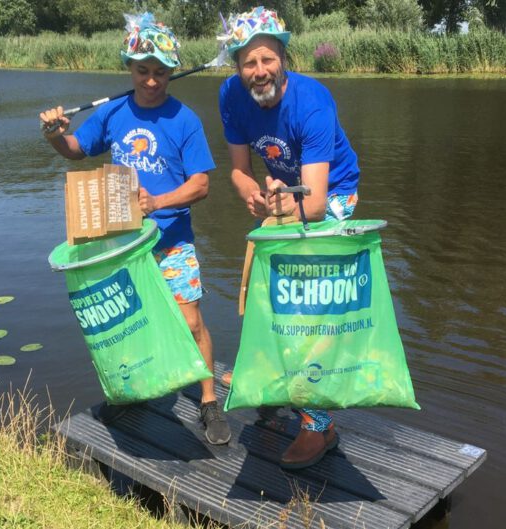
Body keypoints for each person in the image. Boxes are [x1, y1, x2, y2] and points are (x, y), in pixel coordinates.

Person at [39, 13, 230, 445]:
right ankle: (135, 390)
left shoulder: (185, 120)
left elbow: (201, 185)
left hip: (172, 240)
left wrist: (157, 202)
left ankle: (207, 400)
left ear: (171, 72)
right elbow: (75, 151)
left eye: (160, 72)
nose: (151, 81)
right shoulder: (112, 113)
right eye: (143, 71)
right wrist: (54, 134)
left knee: (192, 320)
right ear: (129, 68)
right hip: (123, 244)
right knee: (131, 321)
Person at [218, 6, 361, 469]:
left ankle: (321, 427)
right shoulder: (230, 96)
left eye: (267, 59)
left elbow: (316, 203)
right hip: (282, 193)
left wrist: (282, 201)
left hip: (334, 194)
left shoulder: (312, 103)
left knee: (305, 306)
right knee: (264, 291)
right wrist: (256, 196)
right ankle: (270, 374)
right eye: (248, 63)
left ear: (284, 56)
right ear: (237, 67)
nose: (259, 72)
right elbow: (239, 173)